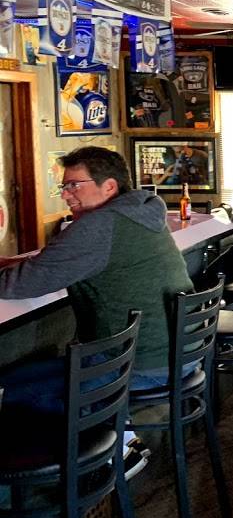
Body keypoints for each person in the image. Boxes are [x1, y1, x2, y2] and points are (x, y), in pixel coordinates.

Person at [0, 146, 194, 478]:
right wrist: (18, 263)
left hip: (141, 364)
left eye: (73, 185)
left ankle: (110, 452)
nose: (65, 194)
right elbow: (57, 261)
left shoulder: (98, 226)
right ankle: (123, 442)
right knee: (20, 378)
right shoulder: (141, 212)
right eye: (63, 186)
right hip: (177, 352)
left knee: (11, 394)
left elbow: (18, 284)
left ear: (109, 187)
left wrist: (17, 269)